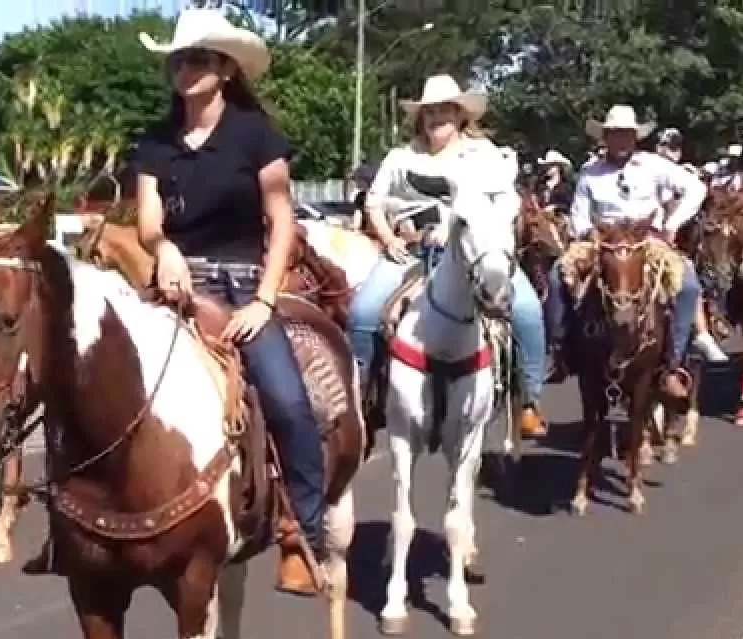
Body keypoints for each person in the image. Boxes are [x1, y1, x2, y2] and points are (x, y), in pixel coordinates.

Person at [132, 7, 326, 587]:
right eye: (177, 60)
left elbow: (281, 219)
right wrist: (161, 247)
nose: (183, 70)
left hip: (244, 282)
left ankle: (303, 533)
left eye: (195, 60)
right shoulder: (155, 142)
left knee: (289, 401)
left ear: (223, 69)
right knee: (97, 370)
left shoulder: (254, 135)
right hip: (176, 282)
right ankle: (76, 524)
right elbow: (146, 221)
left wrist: (266, 300)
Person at [346, 73, 550, 437]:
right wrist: (389, 238)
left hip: (476, 250)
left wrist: (466, 228)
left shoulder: (484, 155)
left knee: (527, 312)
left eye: (445, 111)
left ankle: (530, 402)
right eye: (430, 112)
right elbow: (374, 202)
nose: (437, 117)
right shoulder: (400, 156)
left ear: (460, 115)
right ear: (420, 117)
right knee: (362, 312)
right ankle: (362, 395)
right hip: (411, 250)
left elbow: (507, 199)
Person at [548, 105, 728, 399]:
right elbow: (579, 214)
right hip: (602, 240)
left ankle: (673, 364)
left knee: (687, 284)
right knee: (558, 276)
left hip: (647, 239)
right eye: (614, 135)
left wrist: (672, 224)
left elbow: (696, 189)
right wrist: (586, 231)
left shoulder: (654, 165)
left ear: (635, 138)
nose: (620, 141)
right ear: (605, 138)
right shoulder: (590, 172)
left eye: (626, 135)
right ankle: (561, 351)